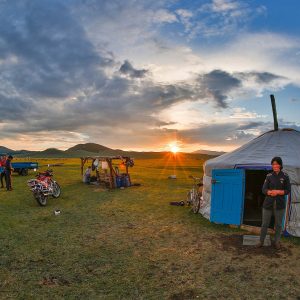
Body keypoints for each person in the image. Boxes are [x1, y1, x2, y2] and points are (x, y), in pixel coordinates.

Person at [257, 157, 291, 249]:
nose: (275, 166)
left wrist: (278, 192)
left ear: (280, 165)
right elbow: (263, 189)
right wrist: (269, 192)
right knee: (265, 224)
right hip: (268, 203)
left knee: (279, 224)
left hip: (280, 204)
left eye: (276, 164)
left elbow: (288, 190)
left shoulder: (285, 176)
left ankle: (276, 242)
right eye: (273, 164)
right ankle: (261, 241)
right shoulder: (269, 176)